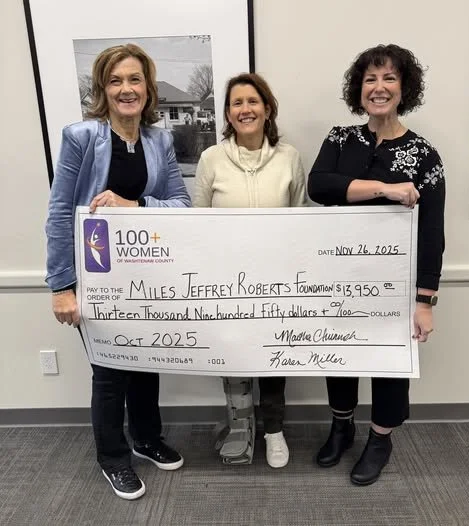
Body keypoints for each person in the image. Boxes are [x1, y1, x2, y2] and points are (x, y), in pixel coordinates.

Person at [45, 44, 191, 500]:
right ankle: (113, 458)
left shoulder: (160, 142)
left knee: (146, 363)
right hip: (96, 278)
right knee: (110, 373)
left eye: (134, 79)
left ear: (148, 88)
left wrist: (136, 204)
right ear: (102, 90)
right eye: (115, 81)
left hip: (146, 277)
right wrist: (61, 287)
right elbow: (60, 213)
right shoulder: (81, 137)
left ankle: (146, 438)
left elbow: (182, 205)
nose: (126, 89)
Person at [308, 44, 445, 486]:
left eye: (389, 78)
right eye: (370, 79)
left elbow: (432, 232)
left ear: (404, 88)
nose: (379, 87)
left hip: (395, 286)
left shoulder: (424, 155)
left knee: (389, 364)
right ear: (359, 89)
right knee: (338, 355)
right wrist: (385, 189)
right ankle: (341, 426)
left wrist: (425, 302)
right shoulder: (339, 140)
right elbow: (319, 186)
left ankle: (380, 439)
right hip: (337, 278)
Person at [193, 73, 307, 468]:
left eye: (253, 101)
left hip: (277, 281)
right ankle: (240, 426)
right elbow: (198, 223)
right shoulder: (211, 159)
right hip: (226, 282)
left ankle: (273, 430)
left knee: (273, 356)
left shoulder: (289, 158)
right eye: (237, 103)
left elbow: (300, 218)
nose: (245, 109)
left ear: (268, 108)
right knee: (234, 354)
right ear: (228, 114)